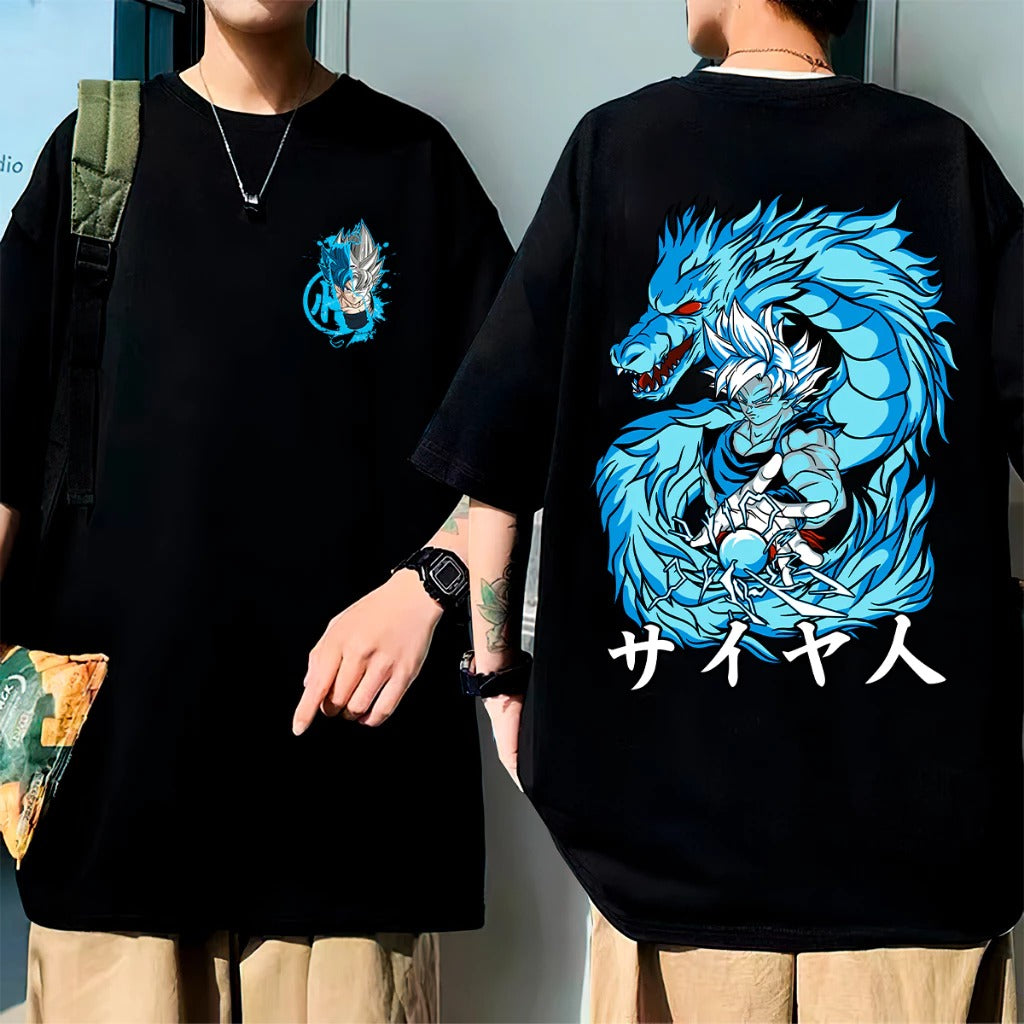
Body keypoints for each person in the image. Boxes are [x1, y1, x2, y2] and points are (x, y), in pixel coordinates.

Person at [406, 0, 1024, 1020]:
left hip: (667, 868)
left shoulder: (617, 149)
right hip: (918, 875)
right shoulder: (945, 160)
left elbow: (494, 470)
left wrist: (497, 681)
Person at [0, 1, 511, 1020]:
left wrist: (433, 583)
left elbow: (518, 445)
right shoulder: (97, 152)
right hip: (114, 807)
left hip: (356, 824)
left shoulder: (414, 168)